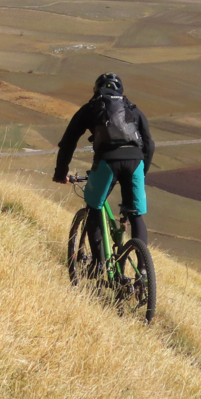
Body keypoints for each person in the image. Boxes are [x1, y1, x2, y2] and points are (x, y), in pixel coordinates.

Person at [53, 73, 154, 267]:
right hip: (135, 161)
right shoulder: (132, 109)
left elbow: (68, 142)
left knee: (94, 208)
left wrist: (60, 173)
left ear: (96, 90)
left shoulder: (91, 107)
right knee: (135, 215)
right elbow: (149, 145)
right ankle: (143, 273)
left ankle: (98, 265)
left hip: (107, 160)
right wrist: (142, 171)